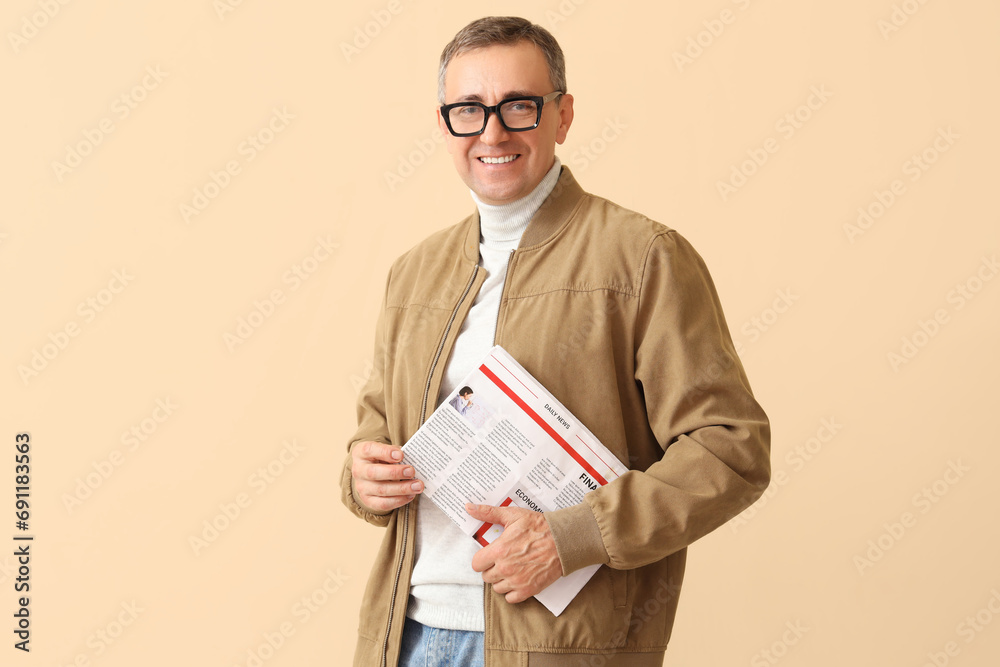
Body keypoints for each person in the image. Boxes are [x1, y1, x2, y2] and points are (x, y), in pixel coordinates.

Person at [340, 15, 771, 667]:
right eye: (468, 110)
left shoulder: (642, 257)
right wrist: (361, 475)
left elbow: (731, 450)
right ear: (443, 122)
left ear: (562, 116)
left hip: (559, 647)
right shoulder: (414, 272)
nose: (492, 132)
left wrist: (573, 534)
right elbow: (375, 434)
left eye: (519, 106)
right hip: (410, 635)